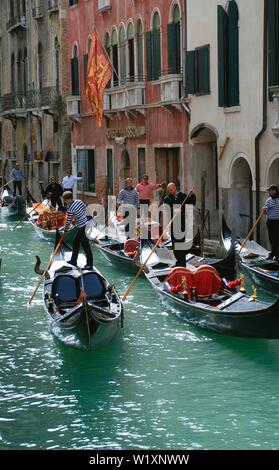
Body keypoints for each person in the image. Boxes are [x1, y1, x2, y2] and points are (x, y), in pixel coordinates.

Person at [164, 182, 196, 267]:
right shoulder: (167, 198)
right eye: (169, 189)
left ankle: (182, 263)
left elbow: (190, 203)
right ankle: (178, 261)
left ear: (175, 188)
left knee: (181, 243)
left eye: (172, 188)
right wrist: (173, 210)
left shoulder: (182, 196)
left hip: (182, 222)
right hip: (174, 223)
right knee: (175, 243)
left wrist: (192, 195)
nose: (171, 190)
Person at [62, 191, 93, 269]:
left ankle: (89, 265)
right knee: (75, 242)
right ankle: (73, 260)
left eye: (65, 200)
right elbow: (86, 208)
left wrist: (65, 231)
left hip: (83, 227)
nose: (64, 202)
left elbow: (68, 221)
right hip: (86, 225)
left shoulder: (71, 208)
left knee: (86, 246)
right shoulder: (78, 201)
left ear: (69, 199)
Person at [263, 184, 279, 261]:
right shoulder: (268, 200)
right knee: (272, 239)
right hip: (270, 222)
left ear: (274, 191)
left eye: (270, 190)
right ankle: (274, 254)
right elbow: (265, 212)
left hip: (278, 222)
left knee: (276, 239)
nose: (268, 192)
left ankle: (274, 254)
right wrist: (264, 210)